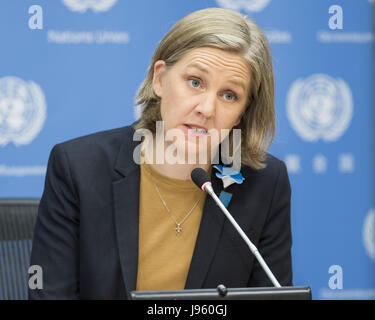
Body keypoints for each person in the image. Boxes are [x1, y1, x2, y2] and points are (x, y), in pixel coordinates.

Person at [28, 7, 293, 300]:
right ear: (160, 79)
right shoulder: (79, 168)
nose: (207, 109)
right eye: (195, 82)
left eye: (229, 95)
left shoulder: (263, 183)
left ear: (242, 113)